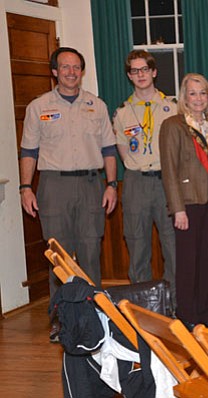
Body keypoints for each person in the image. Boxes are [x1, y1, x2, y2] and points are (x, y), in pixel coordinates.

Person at [19, 47, 118, 341]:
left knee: (89, 253)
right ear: (54, 72)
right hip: (53, 186)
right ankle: (61, 319)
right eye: (65, 67)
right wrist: (26, 188)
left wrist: (112, 184)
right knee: (58, 257)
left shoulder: (96, 105)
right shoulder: (38, 107)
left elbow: (109, 149)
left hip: (91, 185)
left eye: (76, 67)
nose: (71, 72)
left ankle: (95, 316)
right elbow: (29, 151)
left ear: (82, 71)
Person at [159, 73, 208, 331]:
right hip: (188, 204)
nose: (198, 98)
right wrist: (177, 209)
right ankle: (187, 316)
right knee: (188, 263)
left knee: (207, 260)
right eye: (192, 93)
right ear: (184, 97)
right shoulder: (174, 125)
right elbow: (169, 171)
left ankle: (203, 314)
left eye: (202, 92)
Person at [113, 50, 176, 293]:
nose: (140, 75)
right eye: (135, 71)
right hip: (136, 182)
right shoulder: (122, 112)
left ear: (154, 72)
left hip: (166, 182)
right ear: (129, 76)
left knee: (172, 244)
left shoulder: (172, 107)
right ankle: (142, 301)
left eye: (144, 69)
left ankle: (173, 300)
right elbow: (123, 150)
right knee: (137, 242)